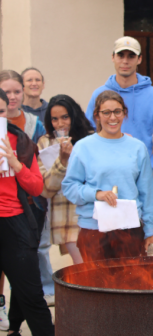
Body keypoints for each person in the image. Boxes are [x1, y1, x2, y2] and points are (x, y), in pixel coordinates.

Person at [63, 90, 153, 262]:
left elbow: (147, 194)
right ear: (97, 115)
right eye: (106, 112)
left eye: (117, 111)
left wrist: (150, 232)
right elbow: (70, 187)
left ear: (124, 113)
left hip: (129, 230)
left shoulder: (137, 148)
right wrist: (97, 194)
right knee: (95, 285)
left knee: (129, 285)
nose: (112, 118)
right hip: (93, 230)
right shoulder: (83, 147)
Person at [85, 36, 153, 211]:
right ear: (113, 57)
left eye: (131, 56)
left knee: (144, 235)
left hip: (145, 179)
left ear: (139, 59)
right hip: (104, 179)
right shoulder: (99, 94)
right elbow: (88, 137)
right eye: (120, 55)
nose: (125, 61)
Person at [0, 88, 55, 335]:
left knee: (31, 293)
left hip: (15, 222)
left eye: (1, 111)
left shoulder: (21, 141)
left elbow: (37, 186)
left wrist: (15, 164)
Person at [38, 95, 94, 265]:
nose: (60, 124)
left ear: (74, 116)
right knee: (83, 267)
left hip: (92, 212)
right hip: (65, 216)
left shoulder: (91, 139)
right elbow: (46, 189)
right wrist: (62, 161)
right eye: (54, 119)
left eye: (65, 117)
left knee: (99, 268)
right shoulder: (45, 142)